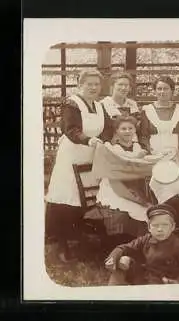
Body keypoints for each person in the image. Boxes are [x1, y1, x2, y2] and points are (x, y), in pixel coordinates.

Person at [45, 69, 114, 263]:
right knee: (68, 197)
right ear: (80, 85)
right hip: (72, 156)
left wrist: (105, 141)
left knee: (88, 196)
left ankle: (81, 238)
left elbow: (108, 128)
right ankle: (61, 243)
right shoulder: (72, 104)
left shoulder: (100, 106)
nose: (93, 88)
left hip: (92, 157)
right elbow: (70, 129)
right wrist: (88, 140)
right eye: (89, 84)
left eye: (96, 84)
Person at [104, 204, 179, 285]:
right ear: (149, 227)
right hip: (143, 278)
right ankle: (113, 293)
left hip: (163, 283)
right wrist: (113, 257)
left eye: (165, 225)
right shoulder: (146, 239)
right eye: (155, 225)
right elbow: (125, 247)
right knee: (123, 260)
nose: (160, 229)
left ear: (173, 227)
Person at [96, 115, 152, 237]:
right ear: (116, 131)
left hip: (133, 186)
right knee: (139, 211)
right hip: (115, 188)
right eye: (123, 129)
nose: (127, 131)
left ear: (135, 130)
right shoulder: (113, 149)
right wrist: (138, 159)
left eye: (130, 128)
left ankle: (145, 243)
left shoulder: (138, 148)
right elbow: (123, 167)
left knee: (151, 209)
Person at [138, 76, 179, 162]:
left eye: (166, 89)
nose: (162, 92)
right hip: (153, 158)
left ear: (172, 91)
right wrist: (150, 154)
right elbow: (143, 137)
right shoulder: (147, 111)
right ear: (155, 91)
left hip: (175, 158)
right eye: (159, 89)